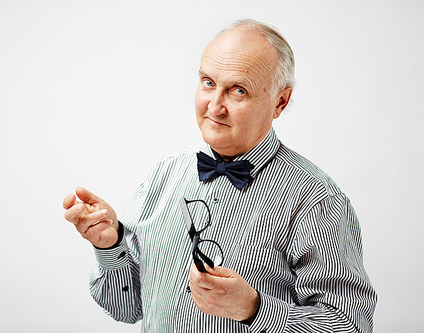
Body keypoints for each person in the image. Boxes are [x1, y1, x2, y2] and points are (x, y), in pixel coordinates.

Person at [63, 19, 377, 333]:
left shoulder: (317, 201)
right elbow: (127, 309)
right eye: (208, 82)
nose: (215, 106)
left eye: (238, 90)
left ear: (280, 101)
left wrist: (254, 308)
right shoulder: (165, 172)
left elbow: (350, 327)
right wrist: (110, 246)